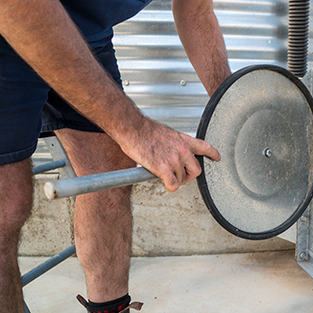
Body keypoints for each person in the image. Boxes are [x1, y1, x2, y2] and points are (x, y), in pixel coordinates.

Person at [0, 0, 231, 312]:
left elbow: (197, 11)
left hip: (83, 30)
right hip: (14, 16)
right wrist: (137, 131)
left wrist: (233, 109)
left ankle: (109, 308)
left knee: (109, 176)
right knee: (6, 204)